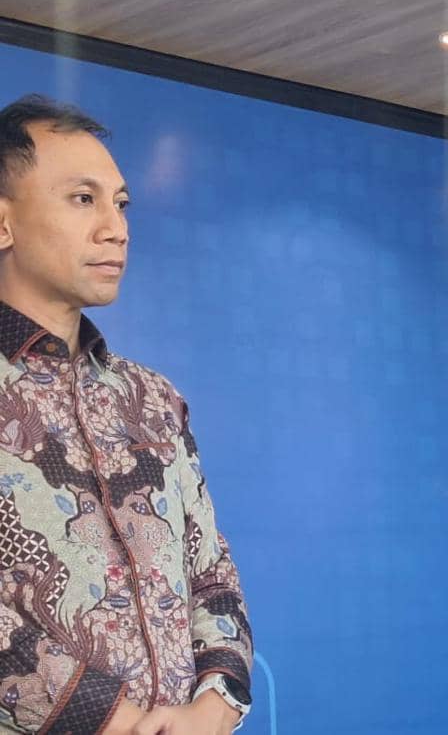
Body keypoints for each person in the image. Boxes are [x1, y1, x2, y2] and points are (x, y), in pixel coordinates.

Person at [0, 95, 252, 735]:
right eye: (83, 199)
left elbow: (212, 574)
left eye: (121, 203)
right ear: (3, 223)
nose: (116, 228)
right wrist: (117, 719)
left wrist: (215, 706)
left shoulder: (153, 398)